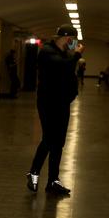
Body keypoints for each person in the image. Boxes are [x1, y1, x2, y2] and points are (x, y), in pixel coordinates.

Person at [26, 24, 84, 195]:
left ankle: (53, 180)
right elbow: (62, 67)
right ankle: (33, 172)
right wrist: (77, 54)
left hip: (62, 102)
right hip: (48, 103)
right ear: (67, 39)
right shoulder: (47, 51)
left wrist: (72, 94)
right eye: (72, 40)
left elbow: (69, 75)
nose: (73, 44)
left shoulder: (65, 53)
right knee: (49, 139)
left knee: (59, 142)